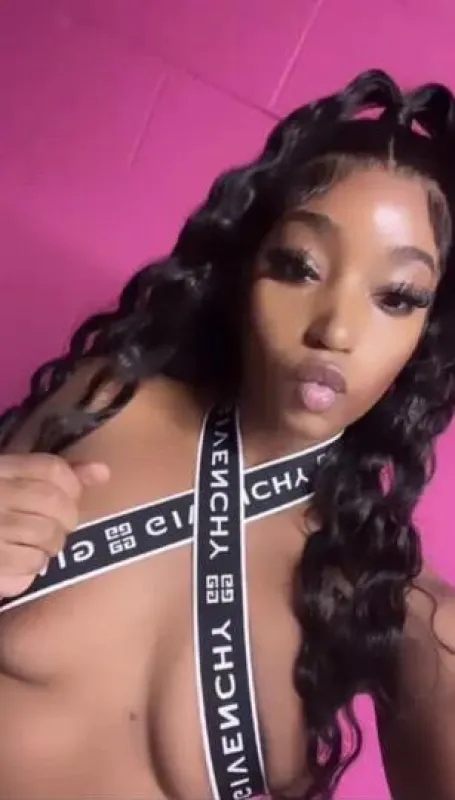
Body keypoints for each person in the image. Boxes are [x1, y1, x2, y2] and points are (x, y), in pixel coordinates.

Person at [1, 67, 455, 800]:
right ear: (247, 267)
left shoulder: (390, 607)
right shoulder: (107, 402)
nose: (335, 330)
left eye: (396, 297)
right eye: (299, 267)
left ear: (427, 334)